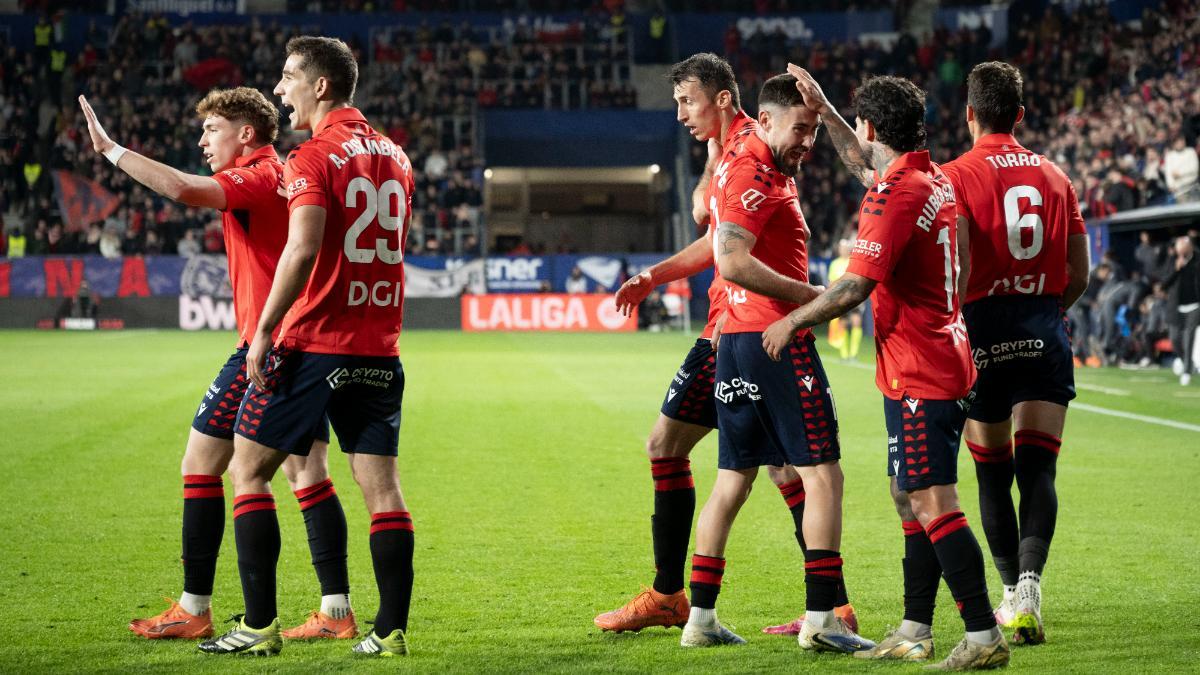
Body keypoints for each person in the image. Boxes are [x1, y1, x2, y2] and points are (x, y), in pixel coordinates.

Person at [78, 88, 355, 641]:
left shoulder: (258, 175)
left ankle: (197, 608)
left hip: (269, 345)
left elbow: (182, 188)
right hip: (297, 342)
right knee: (306, 472)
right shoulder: (281, 175)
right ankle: (335, 611)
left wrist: (111, 150)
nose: (203, 142)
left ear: (246, 134)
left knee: (204, 463)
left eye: (212, 130)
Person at [597, 54, 855, 641]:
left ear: (722, 99)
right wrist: (655, 275)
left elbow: (721, 243)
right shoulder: (737, 150)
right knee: (754, 463)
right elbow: (712, 231)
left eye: (687, 102)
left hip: (735, 330)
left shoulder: (752, 151)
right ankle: (688, 600)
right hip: (733, 325)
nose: (680, 115)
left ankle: (689, 600)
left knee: (764, 467)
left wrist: (809, 298)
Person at [764, 64, 1008, 670]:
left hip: (923, 368)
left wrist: (792, 321)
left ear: (872, 126)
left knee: (932, 500)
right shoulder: (932, 179)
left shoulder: (895, 195)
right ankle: (915, 628)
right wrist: (826, 107)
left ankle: (983, 636)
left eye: (859, 125)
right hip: (930, 357)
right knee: (908, 495)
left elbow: (855, 287)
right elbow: (862, 162)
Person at [198, 36, 414, 658]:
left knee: (247, 471)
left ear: (320, 86)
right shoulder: (397, 155)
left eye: (289, 76)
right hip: (380, 345)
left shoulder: (312, 155)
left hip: (316, 341)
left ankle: (258, 626)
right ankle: (388, 632)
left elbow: (302, 247)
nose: (279, 88)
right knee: (382, 488)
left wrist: (265, 329)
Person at [678, 70, 871, 654]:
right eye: (800, 128)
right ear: (763, 120)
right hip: (774, 341)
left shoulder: (748, 165)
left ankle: (701, 619)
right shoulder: (755, 172)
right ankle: (823, 619)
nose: (807, 141)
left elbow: (707, 214)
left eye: (813, 130)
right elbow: (732, 261)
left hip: (738, 342)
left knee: (732, 480)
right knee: (823, 476)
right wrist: (812, 297)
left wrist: (824, 113)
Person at [939, 62, 1090, 647]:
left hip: (981, 332)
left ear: (970, 114)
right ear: (1020, 115)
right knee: (1039, 470)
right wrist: (1045, 311)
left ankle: (1006, 594)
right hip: (1042, 330)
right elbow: (1079, 273)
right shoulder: (1055, 177)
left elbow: (956, 267)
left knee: (992, 473)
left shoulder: (955, 176)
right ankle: (1029, 589)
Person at [1164, 235, 1200, 385]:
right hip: (1176, 306)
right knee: (1175, 338)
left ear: (1190, 248)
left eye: (1183, 250)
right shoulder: (1172, 260)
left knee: (1189, 336)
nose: (1181, 253)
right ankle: (1187, 362)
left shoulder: (1198, 260)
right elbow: (1164, 283)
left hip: (1195, 304)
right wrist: (1176, 269)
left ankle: (1186, 371)